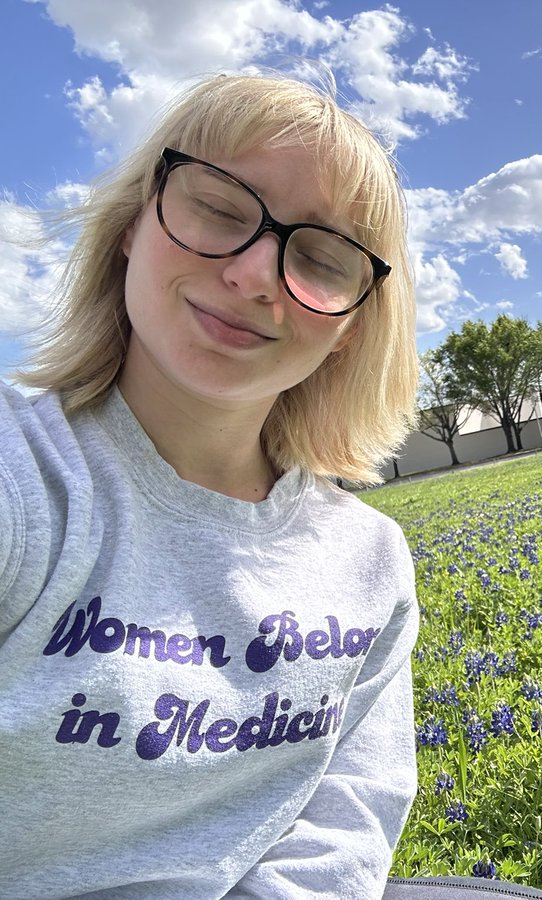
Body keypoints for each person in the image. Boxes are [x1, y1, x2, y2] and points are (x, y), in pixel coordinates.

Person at [0, 73, 422, 898]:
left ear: (349, 328)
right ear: (132, 223)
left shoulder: (370, 558)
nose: (258, 274)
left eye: (322, 256)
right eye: (222, 208)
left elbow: (347, 825)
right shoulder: (25, 480)